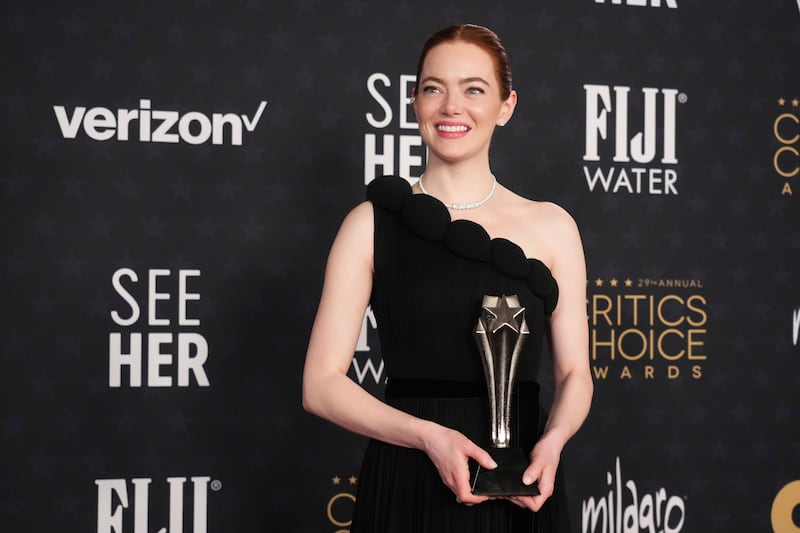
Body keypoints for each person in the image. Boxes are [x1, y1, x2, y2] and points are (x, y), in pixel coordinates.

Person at [302, 24, 593, 532]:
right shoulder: (370, 225)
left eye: (474, 89)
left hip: (522, 481)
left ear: (506, 106)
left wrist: (554, 440)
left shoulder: (553, 227)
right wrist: (427, 437)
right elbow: (321, 385)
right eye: (433, 88)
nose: (451, 106)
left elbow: (574, 375)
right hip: (409, 478)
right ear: (414, 103)